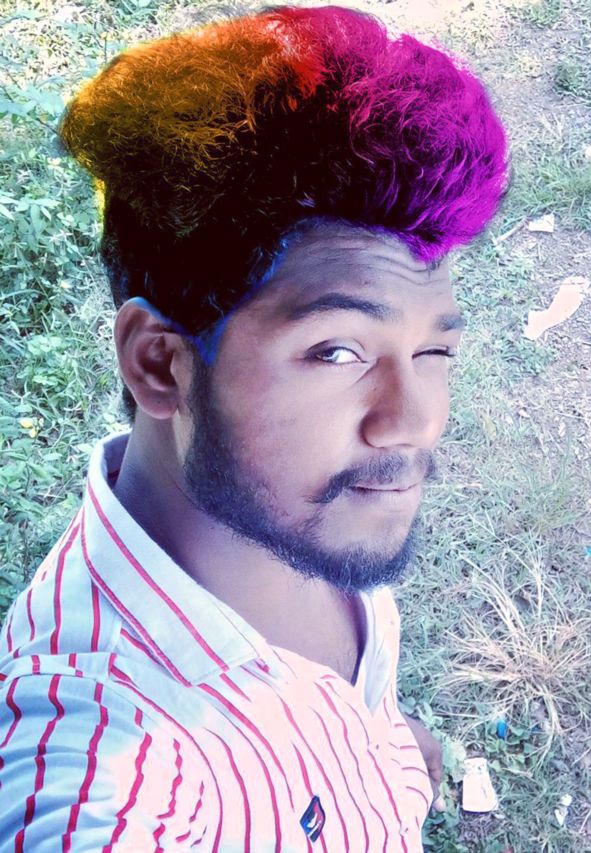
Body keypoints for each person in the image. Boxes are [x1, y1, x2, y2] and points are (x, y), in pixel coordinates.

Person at [0, 5, 508, 849]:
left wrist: (385, 756)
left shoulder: (300, 507)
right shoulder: (104, 773)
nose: (414, 423)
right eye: (337, 351)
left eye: (433, 350)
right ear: (160, 364)